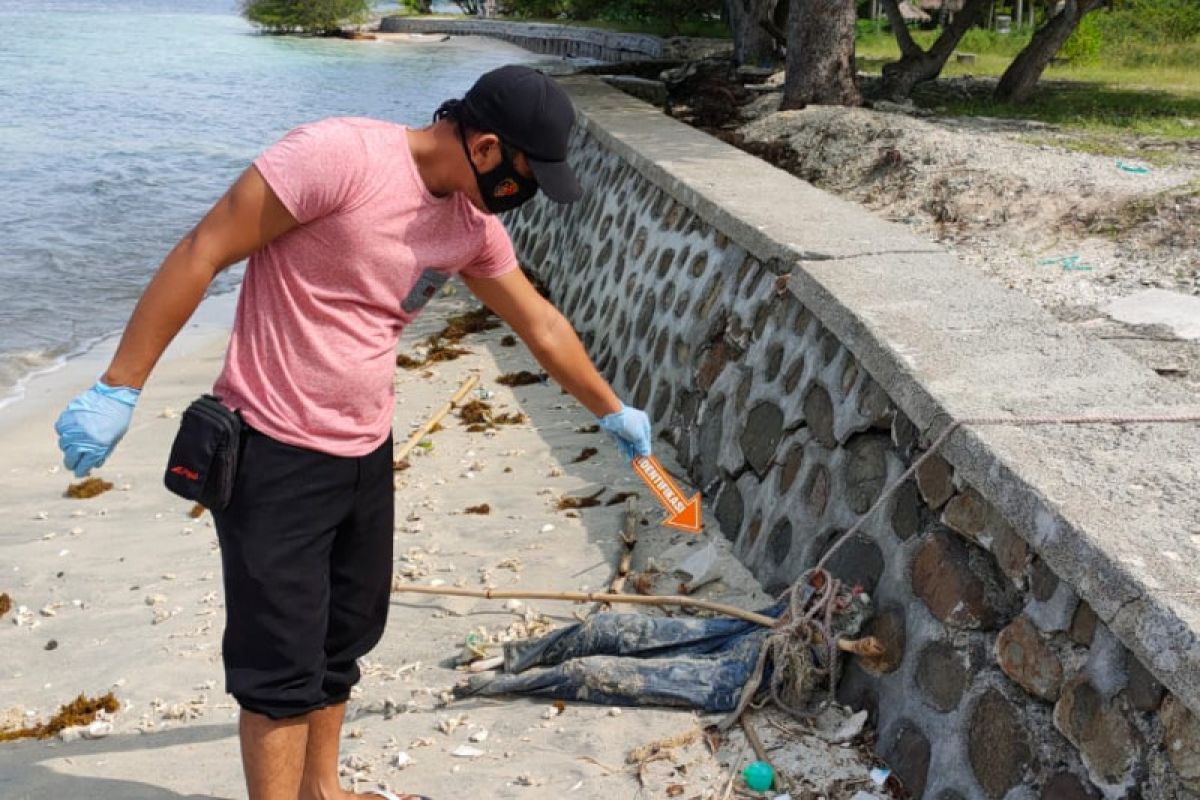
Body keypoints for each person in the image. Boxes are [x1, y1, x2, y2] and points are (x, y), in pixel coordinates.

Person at [53, 65, 652, 800]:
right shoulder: (337, 157)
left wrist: (610, 409)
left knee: (341, 640)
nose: (526, 197)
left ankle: (322, 792)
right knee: (279, 663)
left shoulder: (470, 226)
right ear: (488, 146)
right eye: (527, 176)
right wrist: (121, 383)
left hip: (364, 452)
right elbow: (203, 249)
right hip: (271, 448)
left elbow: (540, 322)